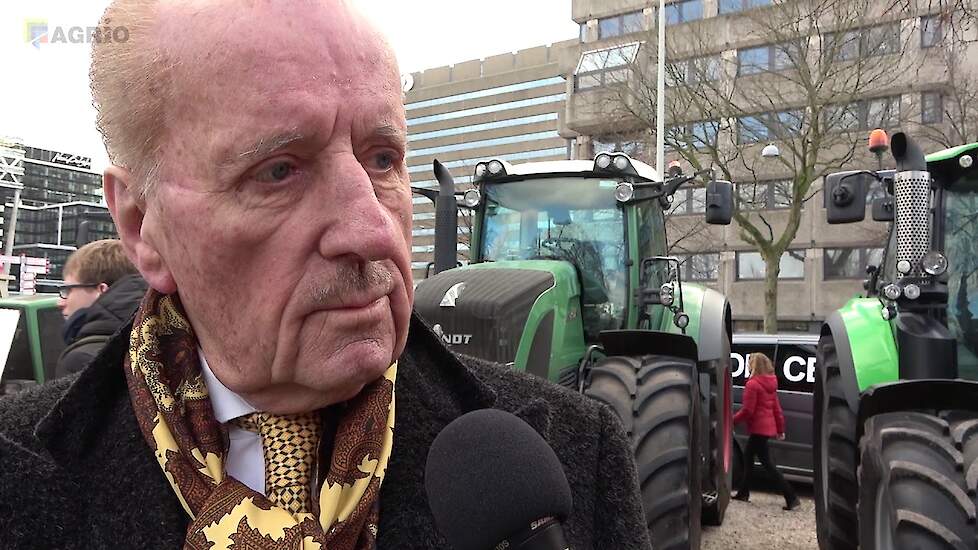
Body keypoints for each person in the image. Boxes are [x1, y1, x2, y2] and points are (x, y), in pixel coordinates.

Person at [0, 1, 652, 549]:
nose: (372, 229)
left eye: (383, 158)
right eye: (279, 170)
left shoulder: (572, 458)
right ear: (143, 226)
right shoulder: (15, 476)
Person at [55, 239, 148, 377]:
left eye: (67, 290)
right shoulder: (158, 339)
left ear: (101, 290)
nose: (60, 302)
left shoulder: (81, 359)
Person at [732, 353, 801, 511]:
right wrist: (780, 429)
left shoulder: (753, 385)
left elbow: (748, 411)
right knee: (748, 458)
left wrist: (731, 421)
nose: (748, 366)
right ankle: (744, 492)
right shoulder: (771, 383)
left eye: (750, 363)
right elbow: (777, 409)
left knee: (766, 464)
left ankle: (791, 497)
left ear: (754, 366)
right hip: (766, 429)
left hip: (758, 429)